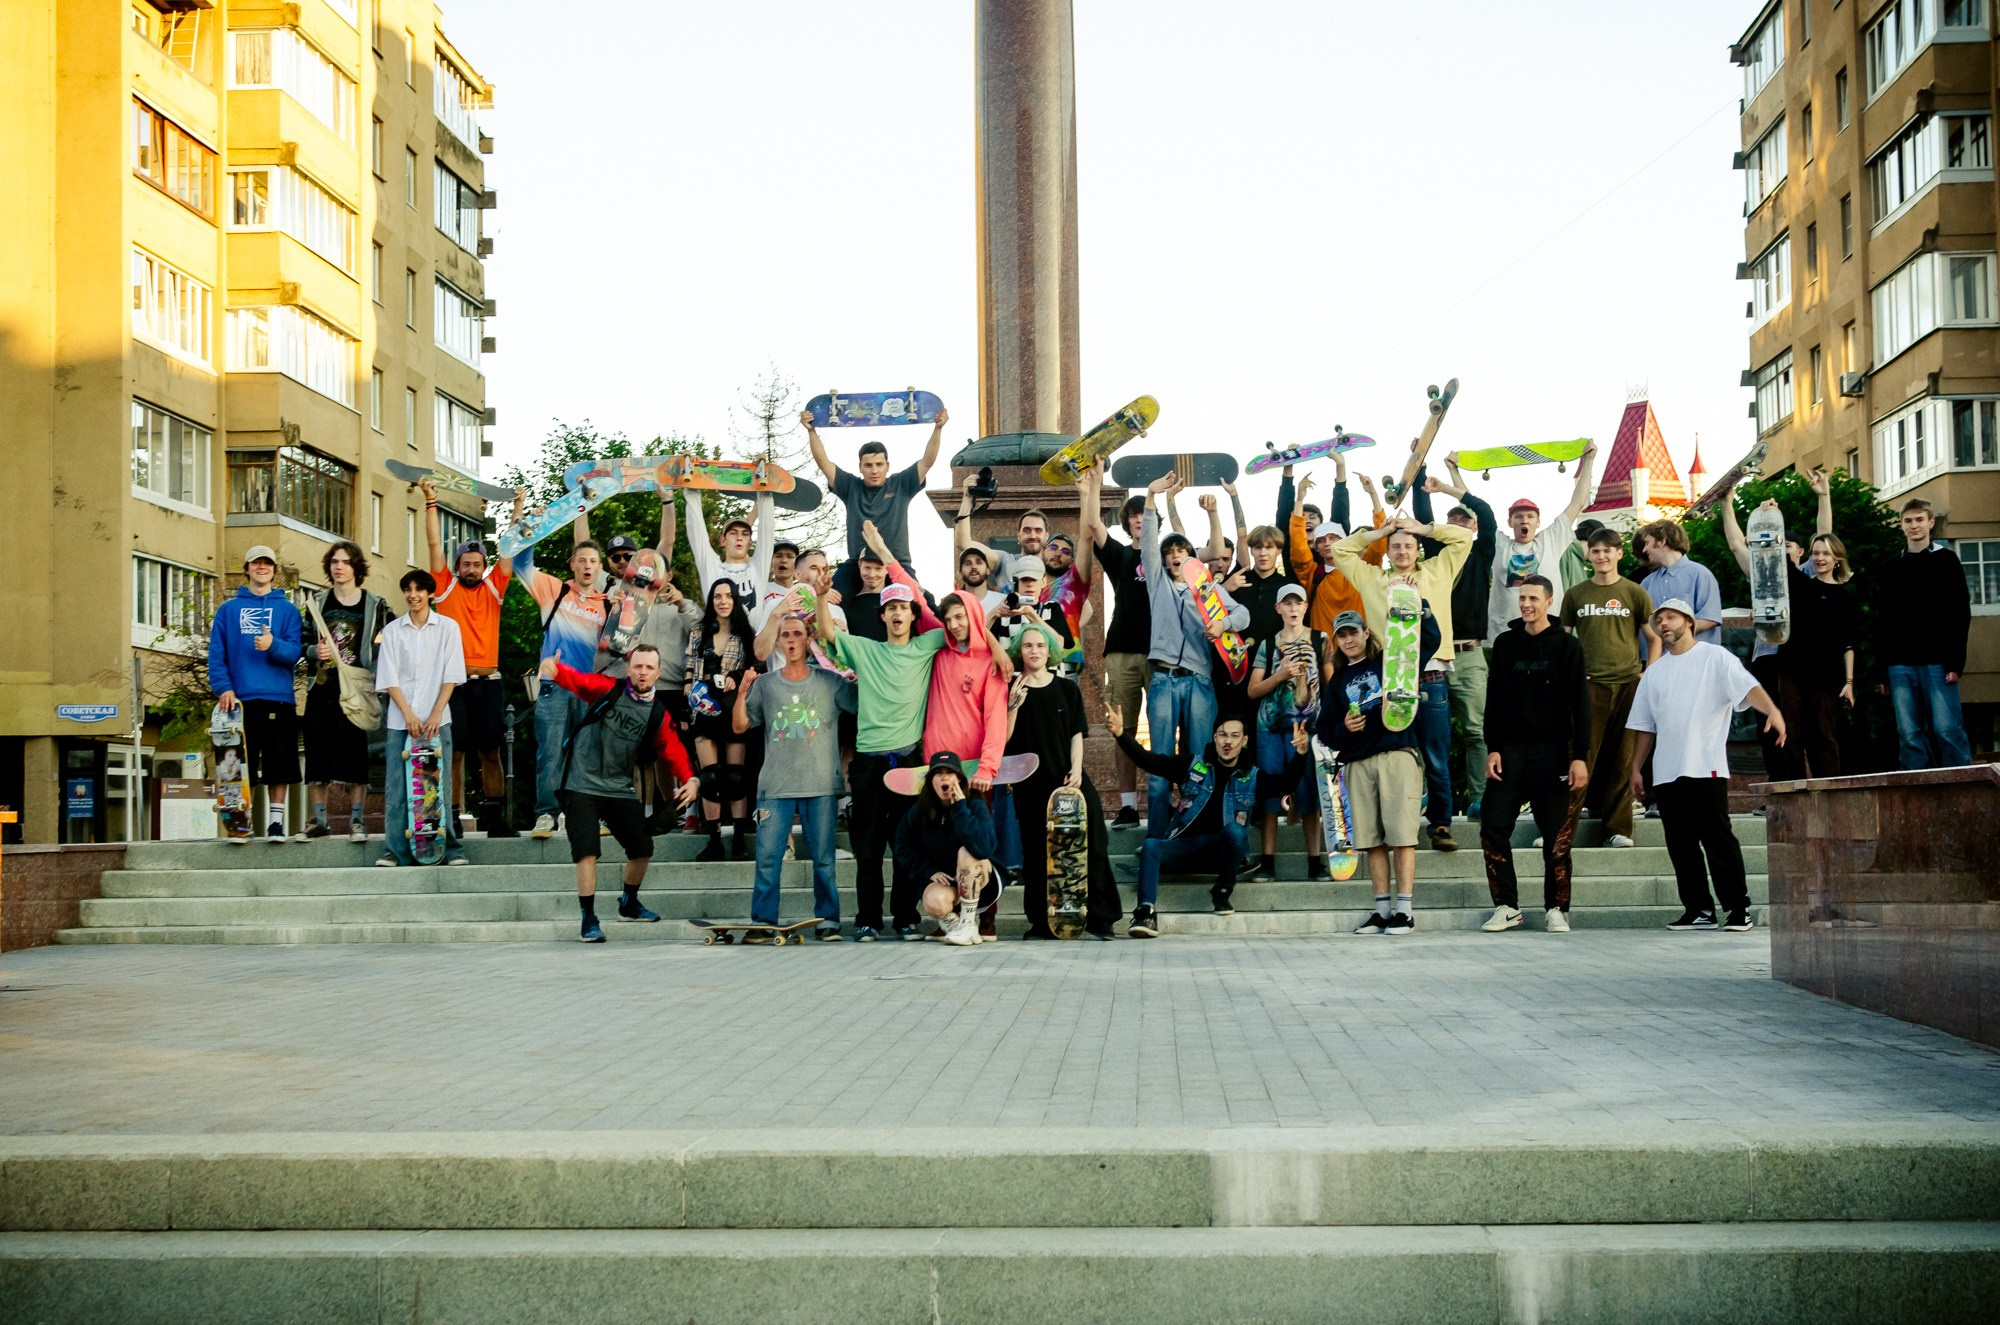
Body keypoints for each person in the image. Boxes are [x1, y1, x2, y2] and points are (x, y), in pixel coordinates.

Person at [1626, 599, 1787, 933]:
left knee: (1717, 839)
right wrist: (1635, 768)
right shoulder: (1654, 672)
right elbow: (1644, 726)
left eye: (1670, 617)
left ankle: (1738, 909)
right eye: (1659, 620)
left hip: (1706, 766)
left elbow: (1749, 687)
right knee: (1680, 843)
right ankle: (1698, 909)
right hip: (1668, 769)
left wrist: (1772, 711)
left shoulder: (1715, 658)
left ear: (1689, 621)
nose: (1664, 624)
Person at [818, 525, 948, 940]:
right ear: (883, 616)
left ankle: (906, 917)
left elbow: (944, 615)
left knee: (907, 845)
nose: (896, 614)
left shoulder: (926, 646)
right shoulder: (866, 648)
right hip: (870, 764)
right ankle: (869, 920)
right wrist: (822, 597)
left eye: (903, 609)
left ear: (912, 616)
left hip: (910, 762)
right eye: (890, 609)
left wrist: (887, 555)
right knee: (869, 849)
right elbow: (828, 633)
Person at [1331, 511, 1475, 852]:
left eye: (1408, 545)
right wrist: (1376, 532)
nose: (1401, 551)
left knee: (1436, 756)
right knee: (1395, 756)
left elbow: (1464, 538)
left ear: (1417, 549)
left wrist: (1423, 527)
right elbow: (1340, 551)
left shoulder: (1438, 572)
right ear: (1387, 551)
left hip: (1431, 676)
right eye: (1394, 546)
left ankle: (1440, 825)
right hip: (1390, 681)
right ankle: (1395, 825)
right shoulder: (1373, 580)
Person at [537, 644, 698, 941]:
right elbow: (579, 681)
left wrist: (690, 779)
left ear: (659, 673)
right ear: (629, 669)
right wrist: (554, 669)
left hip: (618, 787)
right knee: (587, 851)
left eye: (649, 667)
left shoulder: (657, 714)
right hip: (580, 783)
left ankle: (629, 902)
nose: (643, 672)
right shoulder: (608, 690)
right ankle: (589, 918)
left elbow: (672, 749)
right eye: (638, 666)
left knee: (642, 848)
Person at [1112, 704, 1310, 939]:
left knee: (1236, 832)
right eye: (1223, 735)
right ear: (1215, 737)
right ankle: (1145, 912)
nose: (1228, 742)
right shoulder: (1192, 765)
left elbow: (1285, 785)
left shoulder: (1253, 777)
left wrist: (1300, 755)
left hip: (1222, 854)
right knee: (1152, 845)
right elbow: (1149, 761)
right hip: (1185, 848)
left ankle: (1222, 891)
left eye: (1235, 736)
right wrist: (1121, 735)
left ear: (1244, 741)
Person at [1478, 576, 1592, 934]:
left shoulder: (1567, 646)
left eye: (1533, 598)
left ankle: (1557, 908)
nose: (1526, 604)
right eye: (1522, 598)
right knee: (1493, 828)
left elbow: (1581, 705)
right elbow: (1493, 700)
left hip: (1554, 753)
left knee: (1556, 835)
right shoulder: (1505, 644)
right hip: (1510, 752)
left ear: (1549, 601)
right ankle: (1507, 906)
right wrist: (1492, 747)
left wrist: (1580, 755)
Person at [1140, 474, 1250, 833]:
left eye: (1181, 551)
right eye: (1169, 552)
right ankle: (1155, 840)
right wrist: (1152, 498)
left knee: (1205, 761)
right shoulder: (1157, 584)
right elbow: (1147, 545)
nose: (1174, 556)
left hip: (1200, 682)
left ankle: (1202, 832)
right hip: (1164, 679)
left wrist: (1223, 625)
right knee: (1159, 765)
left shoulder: (1208, 589)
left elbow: (1242, 614)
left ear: (1192, 559)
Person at [735, 612, 855, 941]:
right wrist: (741, 692)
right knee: (768, 859)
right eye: (785, 634)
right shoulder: (767, 684)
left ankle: (828, 920)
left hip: (819, 785)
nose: (790, 640)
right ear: (778, 641)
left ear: (807, 638)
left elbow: (859, 705)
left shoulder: (831, 682)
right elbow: (740, 726)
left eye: (797, 634)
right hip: (775, 785)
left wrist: (845, 659)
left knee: (824, 861)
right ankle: (762, 921)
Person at [1319, 606, 1438, 935]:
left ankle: (1405, 910)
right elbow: (1324, 731)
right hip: (1358, 762)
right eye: (1342, 635)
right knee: (1371, 842)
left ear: (1365, 633)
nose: (1348, 640)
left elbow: (1426, 644)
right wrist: (1344, 727)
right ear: (1336, 642)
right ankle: (1383, 911)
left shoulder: (1388, 661)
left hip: (1395, 752)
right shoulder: (1338, 681)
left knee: (1401, 836)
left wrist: (1420, 612)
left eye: (1353, 632)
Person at [1004, 620, 1121, 939]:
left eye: (1040, 645)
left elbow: (1076, 733)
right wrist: (1013, 707)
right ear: (1019, 652)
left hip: (1070, 780)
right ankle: (1042, 922)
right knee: (1036, 853)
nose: (1035, 650)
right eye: (1028, 645)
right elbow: (1004, 741)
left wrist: (1076, 768)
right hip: (1031, 787)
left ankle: (1102, 918)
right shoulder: (1012, 690)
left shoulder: (1066, 688)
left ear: (1050, 651)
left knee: (1094, 843)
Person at [424, 480, 528, 838]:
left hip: (491, 682)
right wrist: (431, 501)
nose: (471, 568)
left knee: (490, 752)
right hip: (455, 684)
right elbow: (435, 544)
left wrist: (518, 506)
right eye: (465, 564)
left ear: (484, 566)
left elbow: (511, 545)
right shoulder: (445, 586)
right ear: (457, 567)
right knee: (454, 753)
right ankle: (451, 817)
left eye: (476, 564)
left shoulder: (494, 588)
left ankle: (495, 819)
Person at [1719, 473, 1835, 780]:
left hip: (1800, 661)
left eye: (1790, 546)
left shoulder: (1809, 573)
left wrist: (1823, 496)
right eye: (1779, 545)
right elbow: (1735, 545)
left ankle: (1808, 783)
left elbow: (1825, 535)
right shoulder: (1762, 572)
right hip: (1768, 658)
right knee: (1769, 724)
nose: (1783, 551)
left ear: (1799, 552)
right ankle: (1777, 787)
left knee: (1804, 726)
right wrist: (1727, 504)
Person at [1557, 526, 1658, 849]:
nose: (1601, 556)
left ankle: (1617, 829)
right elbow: (1561, 640)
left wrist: (1647, 675)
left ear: (1618, 553)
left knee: (1623, 758)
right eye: (1595, 551)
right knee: (1580, 756)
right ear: (1589, 555)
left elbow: (1654, 638)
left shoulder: (1634, 592)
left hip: (1629, 684)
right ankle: (1562, 830)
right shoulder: (1577, 594)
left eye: (1607, 550)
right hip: (1589, 686)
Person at [206, 545, 304, 841]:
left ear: (274, 570)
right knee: (236, 764)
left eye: (268, 563)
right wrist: (224, 687)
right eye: (256, 563)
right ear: (246, 568)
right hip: (240, 702)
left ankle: (276, 824)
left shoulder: (288, 610)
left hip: (279, 698)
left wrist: (272, 644)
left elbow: (294, 653)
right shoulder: (228, 610)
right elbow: (216, 654)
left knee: (280, 765)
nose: (262, 567)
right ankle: (239, 819)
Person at [373, 569, 468, 868]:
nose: (413, 595)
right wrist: (409, 714)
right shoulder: (392, 631)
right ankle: (395, 851)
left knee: (437, 785)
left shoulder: (448, 628)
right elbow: (389, 678)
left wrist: (436, 712)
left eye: (419, 589)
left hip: (437, 719)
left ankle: (450, 849)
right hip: (401, 721)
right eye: (408, 589)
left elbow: (452, 674)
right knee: (398, 788)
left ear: (429, 593)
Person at [516, 539, 610, 839]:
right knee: (550, 752)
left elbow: (621, 647)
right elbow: (520, 565)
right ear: (572, 564)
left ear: (599, 567)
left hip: (588, 689)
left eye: (592, 561)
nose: (586, 566)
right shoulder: (555, 590)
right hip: (554, 686)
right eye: (581, 560)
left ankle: (590, 815)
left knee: (588, 754)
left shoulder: (608, 603)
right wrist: (530, 530)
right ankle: (546, 814)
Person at [806, 405, 948, 601]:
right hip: (859, 563)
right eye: (868, 465)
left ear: (887, 466)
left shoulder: (901, 484)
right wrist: (811, 431)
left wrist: (938, 429)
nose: (874, 470)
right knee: (831, 598)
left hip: (896, 563)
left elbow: (927, 462)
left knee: (923, 602)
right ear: (860, 467)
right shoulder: (851, 487)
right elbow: (824, 463)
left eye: (879, 465)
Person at [299, 541, 388, 842]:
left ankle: (357, 821)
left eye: (346, 562)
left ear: (356, 568)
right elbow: (302, 640)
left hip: (357, 686)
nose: (339, 567)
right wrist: (314, 650)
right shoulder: (317, 601)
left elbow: (390, 641)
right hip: (323, 684)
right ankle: (318, 820)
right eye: (334, 562)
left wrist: (378, 673)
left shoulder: (374, 603)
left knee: (355, 754)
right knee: (317, 753)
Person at [1875, 497, 1973, 770]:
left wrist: (1956, 661)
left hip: (1939, 662)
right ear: (1902, 525)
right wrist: (1882, 670)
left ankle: (1963, 783)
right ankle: (1914, 787)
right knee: (1908, 734)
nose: (1914, 525)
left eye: (1919, 520)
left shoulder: (1947, 561)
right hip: (1899, 664)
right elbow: (1882, 620)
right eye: (1908, 521)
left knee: (1947, 729)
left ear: (1931, 522)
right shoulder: (1891, 567)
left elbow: (1960, 613)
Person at [1080, 468, 1152, 826]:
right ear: (1127, 523)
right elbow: (1093, 524)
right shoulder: (1121, 555)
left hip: (1163, 655)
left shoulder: (1170, 555)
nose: (1139, 519)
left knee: (1167, 728)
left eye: (1145, 514)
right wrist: (1093, 484)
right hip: (1122, 651)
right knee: (1120, 729)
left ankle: (1165, 802)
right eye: (1133, 516)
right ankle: (1127, 805)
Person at [1427, 459, 1497, 819]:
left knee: (1475, 730)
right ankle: (1428, 797)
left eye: (1463, 522)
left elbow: (1484, 510)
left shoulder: (1482, 552)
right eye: (1450, 522)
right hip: (1434, 655)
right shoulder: (1435, 555)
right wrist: (1422, 470)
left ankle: (1479, 798)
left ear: (1472, 529)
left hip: (1469, 653)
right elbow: (1422, 511)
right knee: (1428, 729)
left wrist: (1448, 488)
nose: (1456, 527)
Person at [1244, 583, 1326, 881]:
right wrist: (1280, 675)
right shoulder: (1267, 644)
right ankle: (1267, 862)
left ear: (1306, 606)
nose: (1293, 609)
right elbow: (1253, 690)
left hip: (1307, 729)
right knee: (1268, 796)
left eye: (1298, 603)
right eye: (1287, 603)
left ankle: (1315, 862)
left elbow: (1329, 684)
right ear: (1278, 608)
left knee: (1309, 795)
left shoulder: (1320, 639)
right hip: (1269, 729)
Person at [1484, 444, 1598, 645]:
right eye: (1518, 516)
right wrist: (1453, 471)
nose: (1524, 521)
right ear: (1510, 522)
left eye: (1530, 516)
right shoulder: (1499, 544)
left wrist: (1588, 461)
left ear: (1538, 521)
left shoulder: (1551, 540)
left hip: (1548, 635)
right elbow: (1477, 510)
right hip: (1506, 636)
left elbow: (1578, 502)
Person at [896, 752, 1001, 947]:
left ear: (959, 779)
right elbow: (903, 847)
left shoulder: (974, 803)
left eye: (950, 773)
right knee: (933, 901)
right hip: (948, 881)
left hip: (980, 880)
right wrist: (927, 871)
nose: (944, 777)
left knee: (967, 852)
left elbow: (984, 848)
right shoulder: (920, 811)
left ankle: (968, 922)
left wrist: (960, 808)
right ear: (931, 781)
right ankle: (958, 927)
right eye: (938, 773)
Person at [686, 578, 758, 860]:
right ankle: (714, 838)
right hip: (704, 706)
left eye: (728, 596)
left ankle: (739, 838)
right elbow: (689, 667)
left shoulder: (744, 632)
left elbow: (755, 666)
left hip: (733, 706)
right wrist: (687, 703)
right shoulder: (698, 631)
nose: (723, 601)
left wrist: (735, 677)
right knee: (710, 776)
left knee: (735, 776)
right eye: (717, 596)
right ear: (711, 600)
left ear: (735, 599)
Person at [1288, 469, 1370, 635]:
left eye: (1333, 538)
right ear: (1316, 548)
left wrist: (1373, 496)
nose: (1327, 544)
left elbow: (1380, 545)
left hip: (1361, 649)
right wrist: (1299, 499)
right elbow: (1297, 542)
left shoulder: (1362, 569)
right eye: (1321, 541)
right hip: (1325, 653)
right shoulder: (1313, 573)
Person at [1633, 519, 1722, 644]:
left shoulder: (1700, 575)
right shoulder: (1647, 583)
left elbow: (1710, 618)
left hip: (1695, 659)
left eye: (1647, 543)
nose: (1644, 550)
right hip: (1658, 660)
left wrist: (1674, 632)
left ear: (1661, 542)